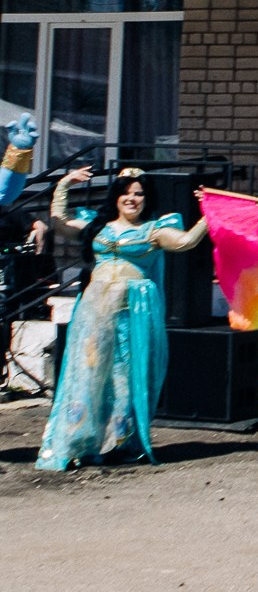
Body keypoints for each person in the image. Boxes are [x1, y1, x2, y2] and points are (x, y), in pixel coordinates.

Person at [35, 167, 209, 471]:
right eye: (126, 192)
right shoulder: (97, 227)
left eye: (138, 193)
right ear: (116, 197)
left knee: (123, 378)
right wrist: (64, 184)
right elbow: (60, 224)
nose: (132, 198)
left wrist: (210, 212)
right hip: (94, 315)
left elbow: (186, 242)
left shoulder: (154, 231)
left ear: (146, 198)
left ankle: (118, 442)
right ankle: (77, 441)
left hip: (131, 317)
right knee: (86, 373)